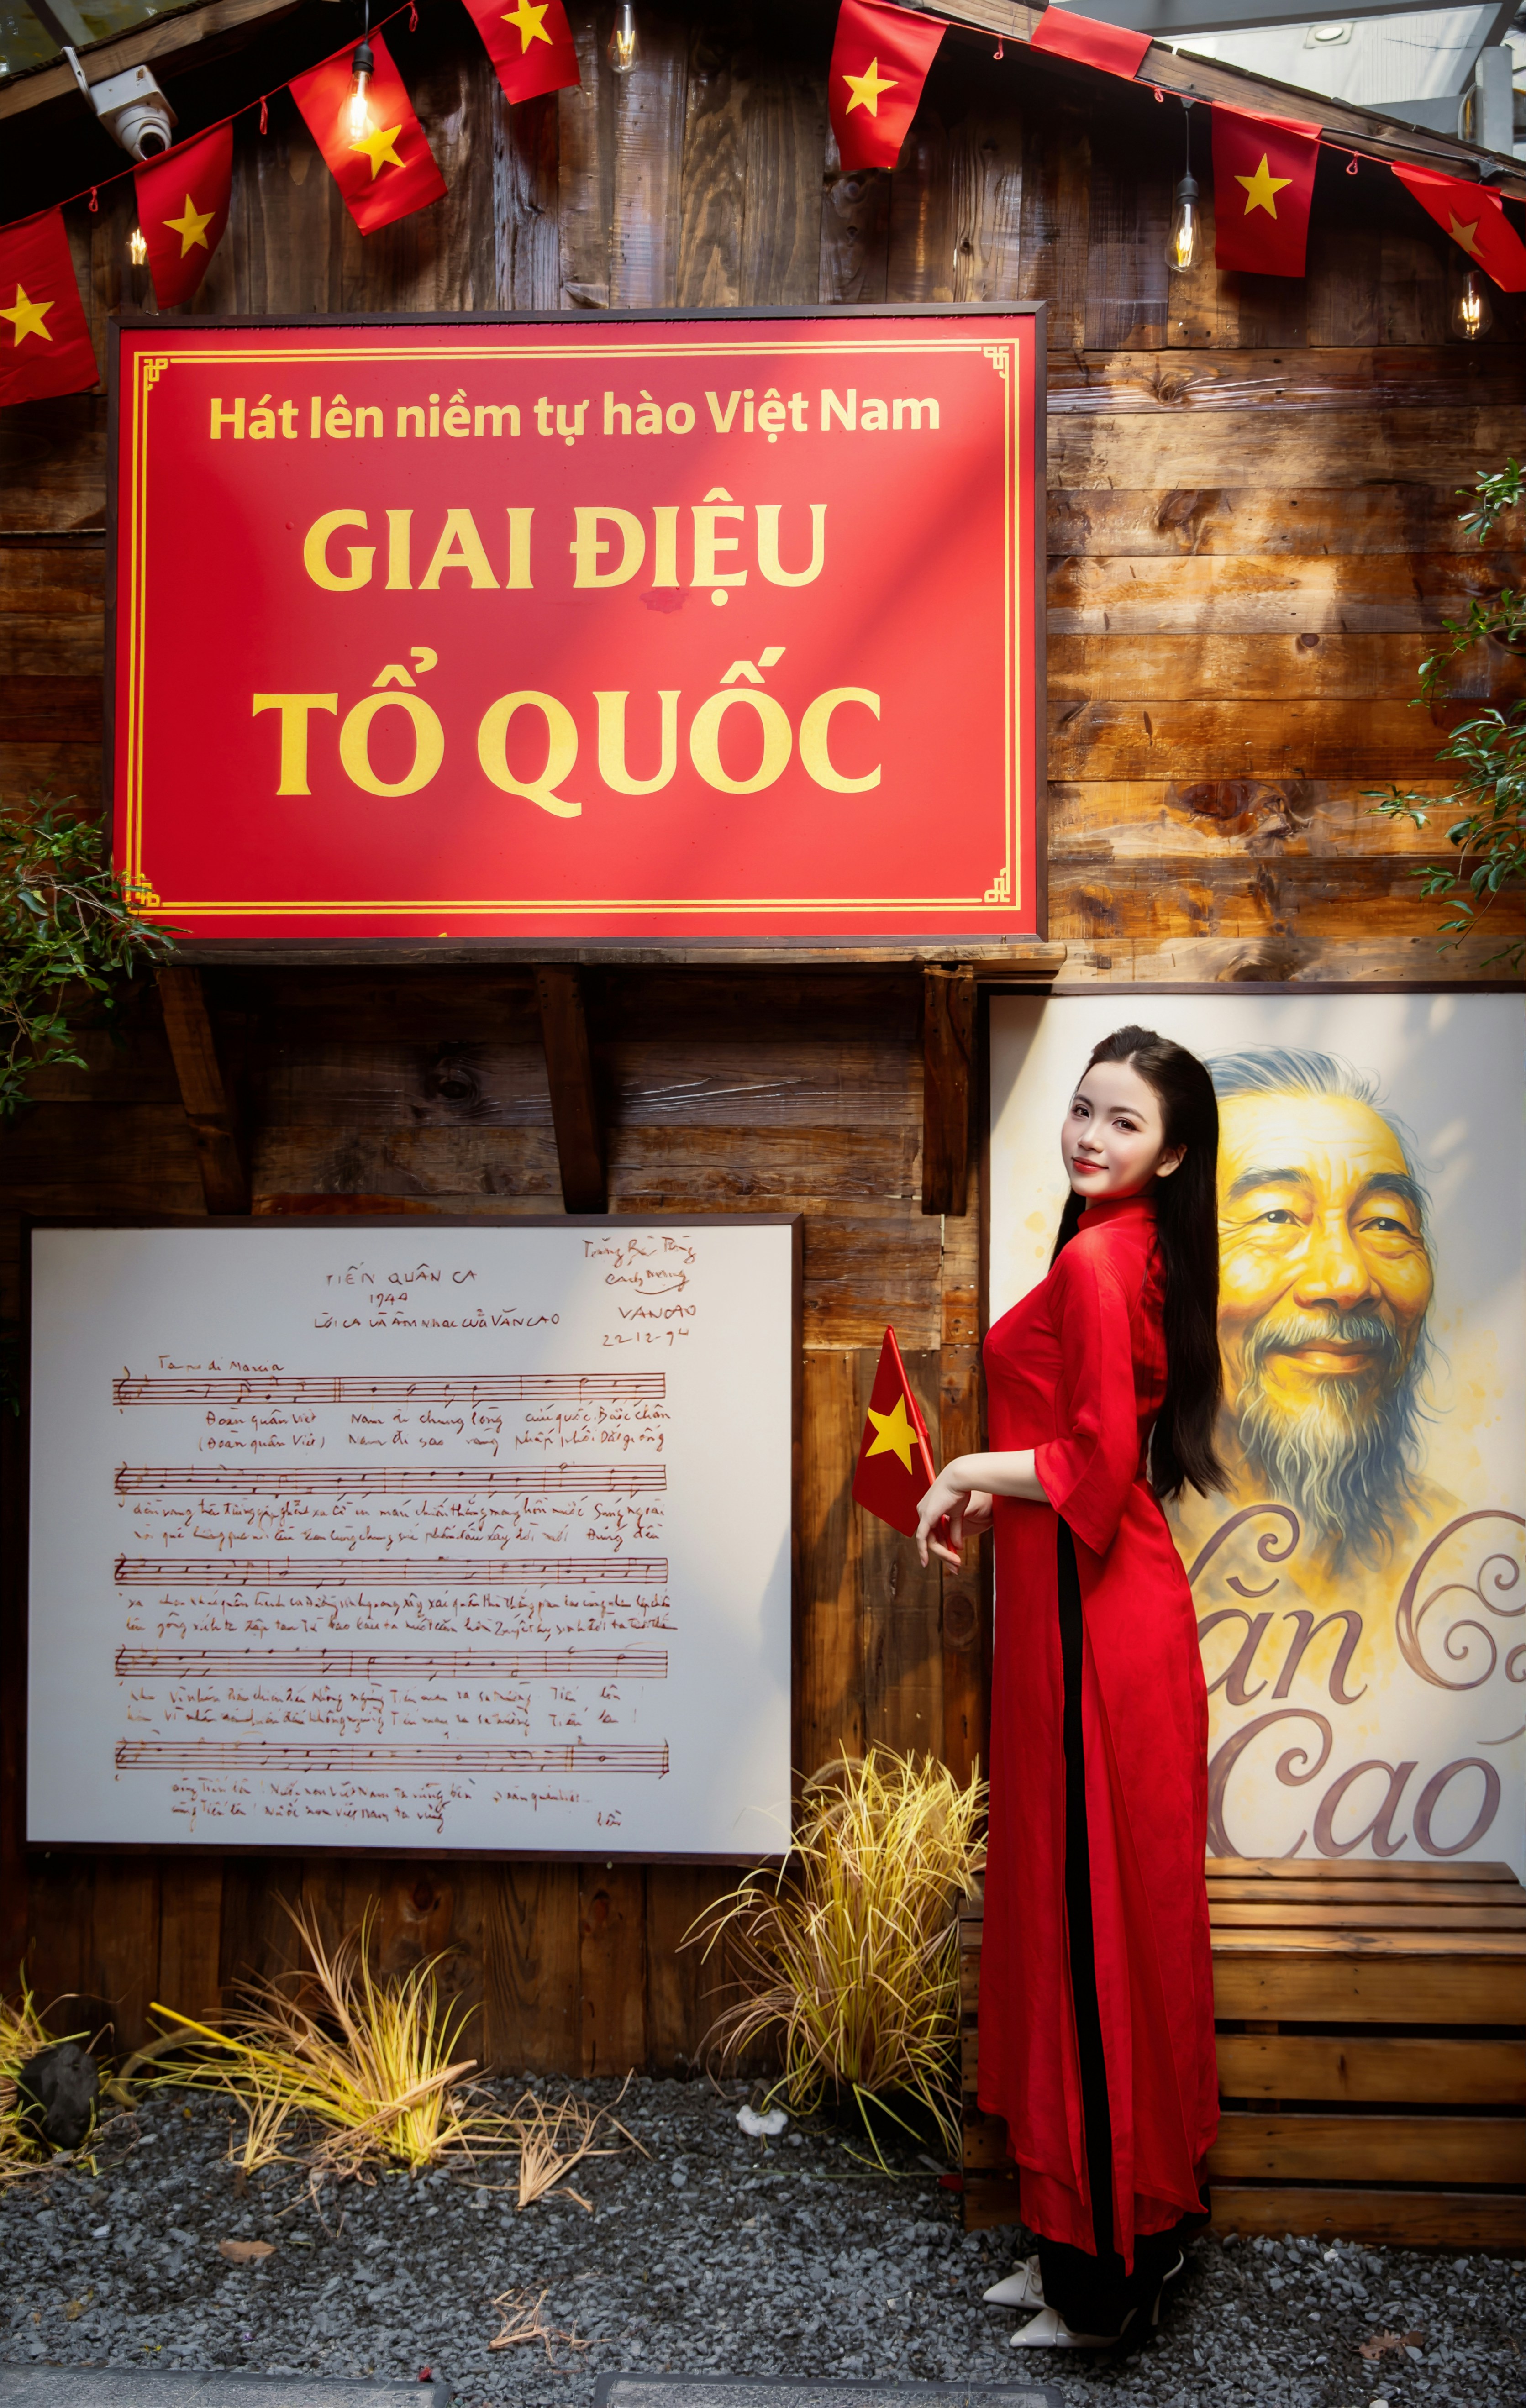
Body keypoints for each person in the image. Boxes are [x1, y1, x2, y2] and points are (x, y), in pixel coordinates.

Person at [915, 1025, 1224, 2349]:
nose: (1092, 1136)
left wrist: (967, 1471)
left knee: (1096, 1932)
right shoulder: (1126, 1241)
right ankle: (1076, 2239)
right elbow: (1088, 1451)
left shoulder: (1104, 1257)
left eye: (1125, 1124)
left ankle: (1105, 2286)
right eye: (1086, 1110)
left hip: (1101, 1629)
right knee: (1074, 1921)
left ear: (1174, 1151)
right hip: (1084, 1615)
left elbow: (1092, 1472)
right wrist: (1002, 1496)